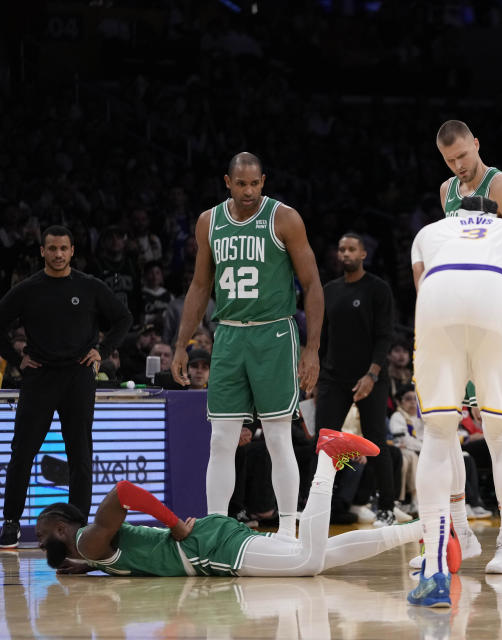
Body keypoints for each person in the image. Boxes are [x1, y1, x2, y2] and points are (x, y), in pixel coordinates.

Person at [170, 152, 324, 540]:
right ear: (228, 182)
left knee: (276, 435)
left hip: (273, 333)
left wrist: (312, 348)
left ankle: (288, 528)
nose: (249, 191)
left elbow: (313, 285)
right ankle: (217, 529)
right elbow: (200, 285)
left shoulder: (284, 218)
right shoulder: (209, 221)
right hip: (229, 334)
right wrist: (181, 344)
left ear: (263, 181)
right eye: (241, 184)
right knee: (221, 438)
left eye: (255, 183)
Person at [408, 195, 502, 607]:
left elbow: (421, 288)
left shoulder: (427, 232)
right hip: (498, 296)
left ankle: (434, 573)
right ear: (494, 216)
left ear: (455, 215)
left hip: (438, 295)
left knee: (437, 434)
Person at [35, 430, 424, 577]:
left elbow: (124, 491)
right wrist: (86, 564)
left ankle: (328, 458)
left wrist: (174, 525)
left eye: (42, 534)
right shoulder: (88, 548)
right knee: (318, 556)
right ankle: (428, 528)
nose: (38, 543)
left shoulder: (87, 541)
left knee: (309, 562)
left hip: (205, 548)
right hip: (209, 538)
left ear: (62, 528)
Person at [0, 225, 133, 548]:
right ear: (42, 252)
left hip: (78, 376)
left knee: (80, 456)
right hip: (39, 377)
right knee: (22, 453)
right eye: (52, 249)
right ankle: (11, 523)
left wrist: (101, 352)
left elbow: (123, 318)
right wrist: (16, 360)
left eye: (63, 248)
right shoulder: (28, 288)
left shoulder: (89, 286)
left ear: (73, 251)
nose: (58, 254)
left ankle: (77, 526)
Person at [311, 232, 398, 527]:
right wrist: (317, 372)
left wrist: (372, 374)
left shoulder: (378, 289)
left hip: (370, 377)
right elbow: (322, 337)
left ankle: (386, 505)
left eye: (351, 249)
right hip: (334, 377)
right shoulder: (329, 290)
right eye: (341, 249)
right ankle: (320, 502)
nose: (345, 254)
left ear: (363, 254)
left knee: (376, 442)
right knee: (325, 442)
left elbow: (385, 336)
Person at [435, 120, 502, 226]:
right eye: (450, 160)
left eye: (462, 156)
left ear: (476, 145)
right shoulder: (446, 190)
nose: (458, 166)